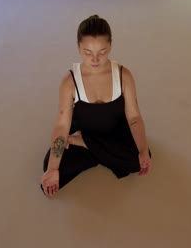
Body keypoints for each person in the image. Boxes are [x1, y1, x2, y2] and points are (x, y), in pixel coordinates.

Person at [40, 15, 152, 197]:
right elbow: (61, 125)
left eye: (102, 51)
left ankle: (85, 142)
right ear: (78, 47)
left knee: (139, 159)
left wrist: (142, 150)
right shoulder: (69, 82)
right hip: (86, 128)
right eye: (87, 52)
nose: (95, 59)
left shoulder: (124, 75)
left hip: (115, 131)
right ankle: (103, 151)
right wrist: (53, 168)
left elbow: (134, 118)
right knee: (51, 166)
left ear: (111, 46)